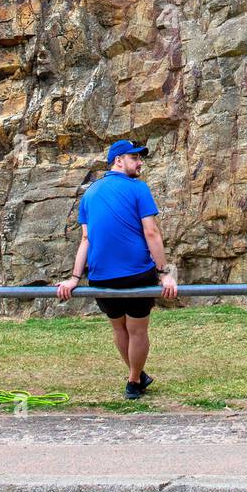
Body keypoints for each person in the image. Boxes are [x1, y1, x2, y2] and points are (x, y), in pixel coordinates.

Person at [57, 140, 178, 400]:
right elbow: (151, 232)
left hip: (100, 277)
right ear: (118, 160)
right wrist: (165, 272)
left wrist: (75, 278)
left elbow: (86, 240)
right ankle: (134, 381)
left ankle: (137, 375)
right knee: (137, 331)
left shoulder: (89, 193)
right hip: (136, 274)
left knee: (119, 329)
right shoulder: (138, 188)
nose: (140, 163)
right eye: (135, 158)